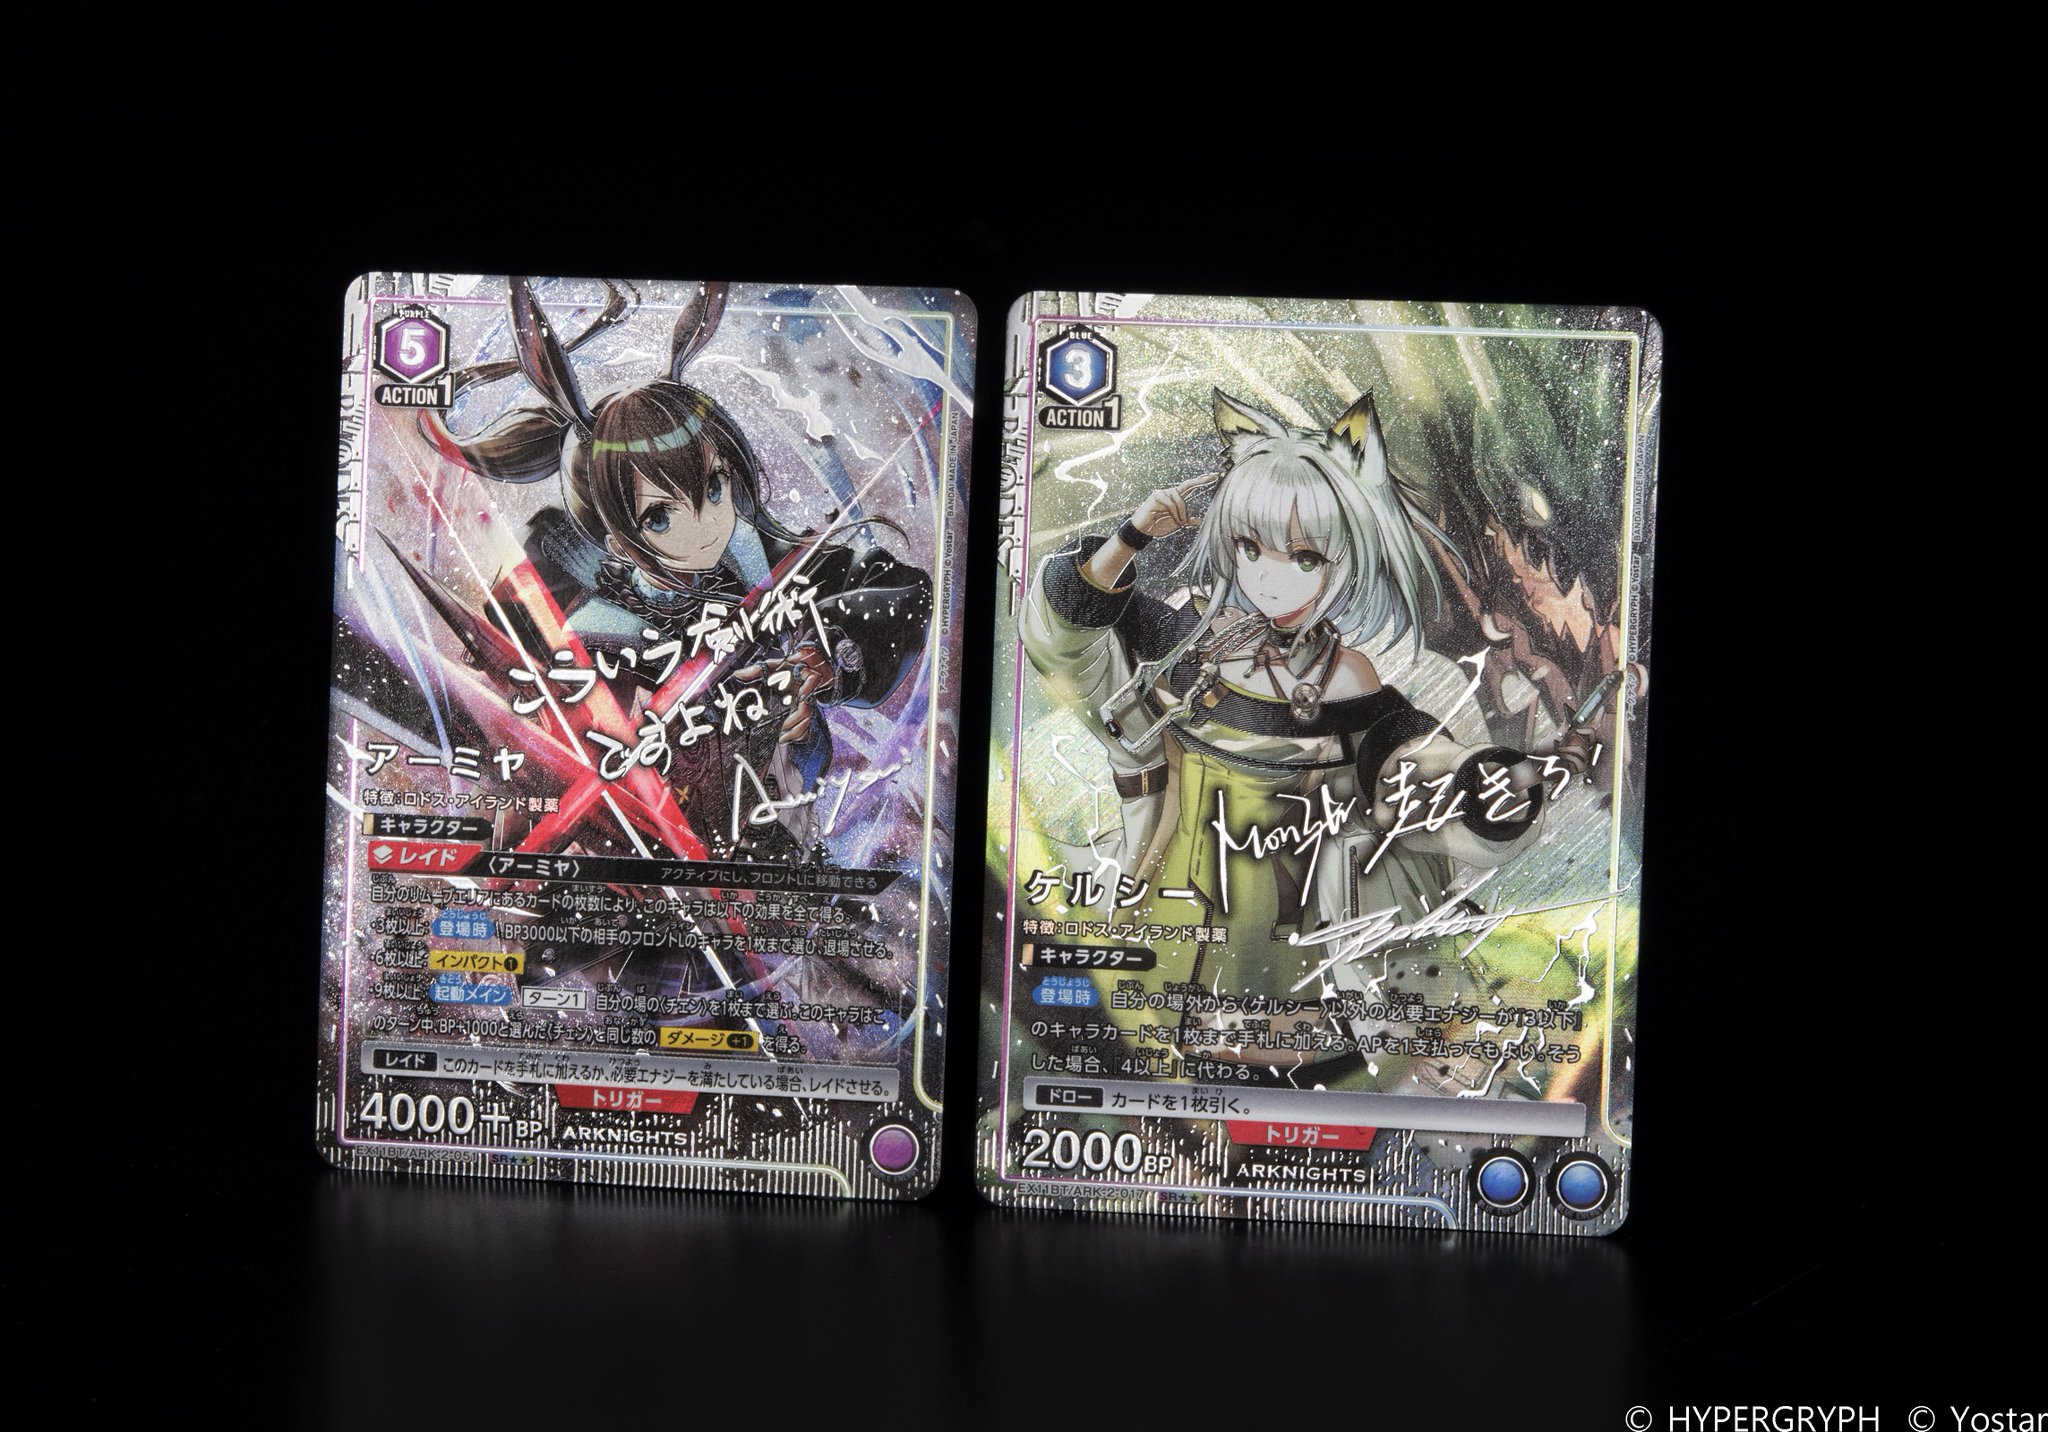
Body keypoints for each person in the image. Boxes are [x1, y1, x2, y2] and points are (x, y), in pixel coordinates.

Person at [1019, 388, 1589, 1089]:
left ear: (1347, 557)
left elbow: (1401, 766)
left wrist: (1481, 783)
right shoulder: (1182, 639)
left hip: (1297, 964)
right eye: (1249, 548)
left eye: (1306, 558)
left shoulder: (1348, 678)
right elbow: (1065, 646)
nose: (1269, 578)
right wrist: (1132, 536)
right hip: (1165, 932)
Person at [422, 277, 932, 861]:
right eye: (661, 516)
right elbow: (501, 715)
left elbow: (905, 594)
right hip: (633, 858)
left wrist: (824, 656)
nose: (706, 525)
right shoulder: (567, 607)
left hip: (769, 850)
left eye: (714, 488)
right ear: (616, 538)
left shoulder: (769, 562)